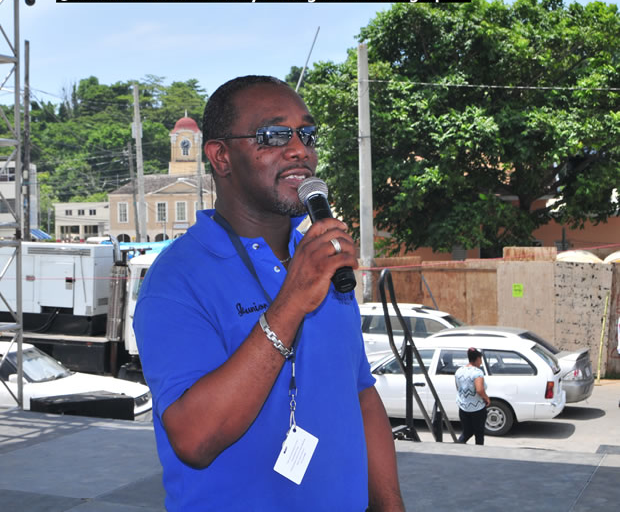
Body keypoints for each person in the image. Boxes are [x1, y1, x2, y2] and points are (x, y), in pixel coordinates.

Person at [134, 75, 404, 511]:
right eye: (274, 135)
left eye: (307, 134)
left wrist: (390, 506)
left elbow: (360, 393)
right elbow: (194, 440)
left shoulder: (323, 266)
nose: (300, 150)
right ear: (221, 156)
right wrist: (291, 301)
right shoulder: (174, 281)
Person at [455, 347, 490, 445]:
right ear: (478, 358)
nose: (481, 362)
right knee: (479, 434)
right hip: (477, 409)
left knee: (467, 432)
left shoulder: (459, 371)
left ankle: (457, 447)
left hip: (463, 407)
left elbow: (458, 388)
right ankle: (479, 454)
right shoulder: (477, 372)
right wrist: (486, 398)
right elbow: (479, 390)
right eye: (481, 359)